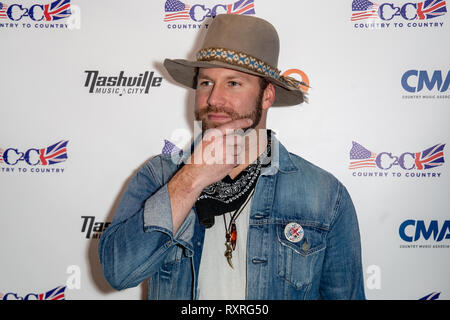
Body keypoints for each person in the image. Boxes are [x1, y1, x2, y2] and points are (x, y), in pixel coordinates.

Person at [98, 14, 365, 300]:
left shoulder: (324, 195)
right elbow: (118, 272)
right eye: (205, 83)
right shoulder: (160, 175)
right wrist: (191, 178)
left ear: (267, 96)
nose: (213, 99)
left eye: (233, 83)